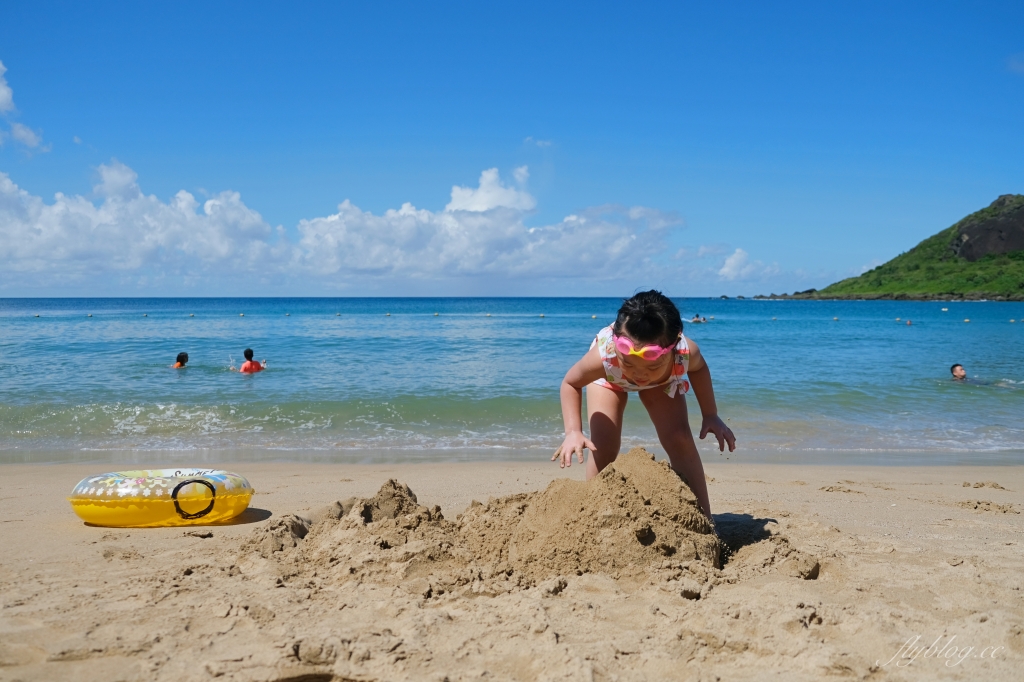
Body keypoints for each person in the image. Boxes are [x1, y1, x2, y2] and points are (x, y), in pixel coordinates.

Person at [553, 290, 735, 519]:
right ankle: (594, 514)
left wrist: (710, 414)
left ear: (674, 348)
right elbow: (570, 383)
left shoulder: (684, 353)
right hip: (610, 378)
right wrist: (573, 431)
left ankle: (703, 519)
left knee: (679, 438)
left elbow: (699, 369)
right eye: (629, 363)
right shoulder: (605, 355)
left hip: (662, 382)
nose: (639, 374)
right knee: (603, 445)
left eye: (650, 367)